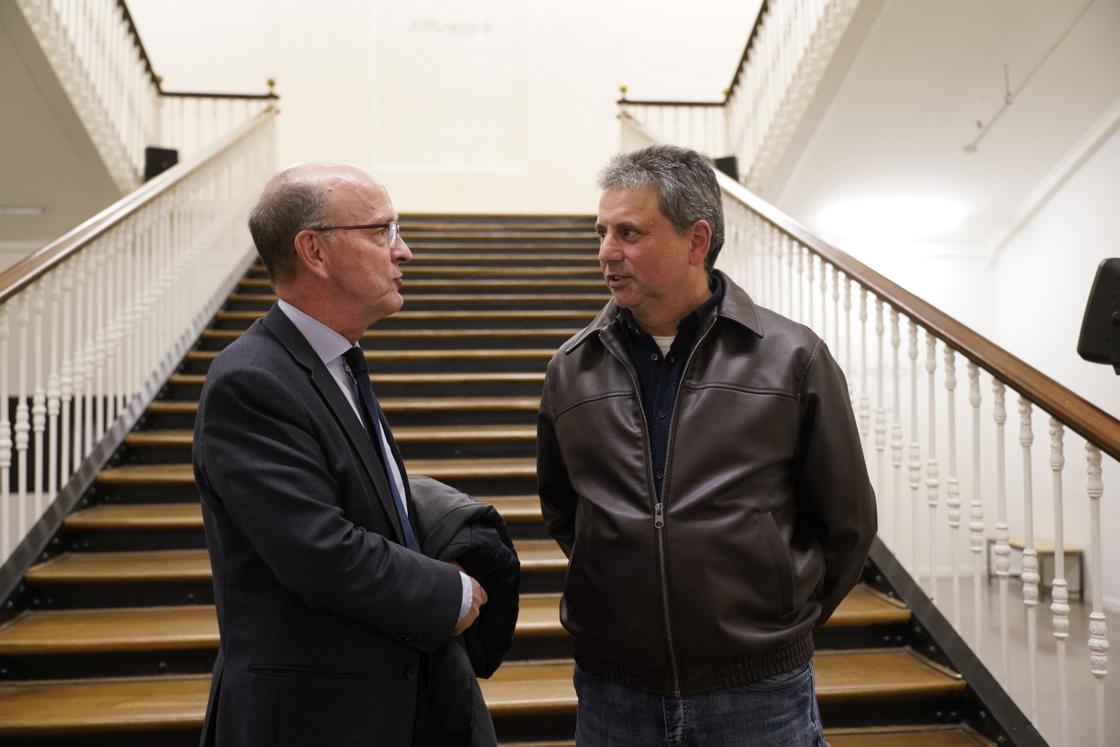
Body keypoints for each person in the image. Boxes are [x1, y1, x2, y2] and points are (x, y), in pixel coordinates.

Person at [536, 145, 877, 745]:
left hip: (756, 691)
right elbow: (567, 513)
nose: (606, 252)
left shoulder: (792, 359)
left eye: (630, 232)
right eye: (603, 232)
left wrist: (775, 623)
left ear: (697, 240)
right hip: (615, 691)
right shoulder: (572, 367)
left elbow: (846, 521)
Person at [193, 163, 492, 746]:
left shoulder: (336, 364)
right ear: (315, 251)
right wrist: (449, 592)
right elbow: (317, 551)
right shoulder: (251, 380)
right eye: (382, 231)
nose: (403, 251)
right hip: (312, 717)